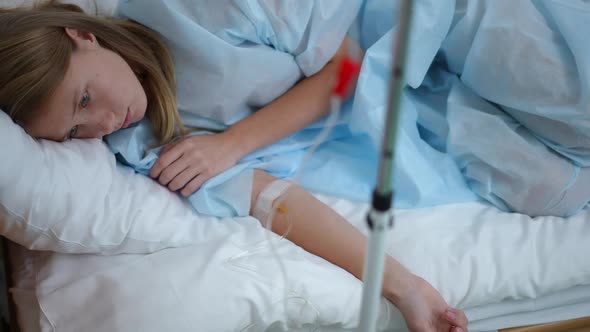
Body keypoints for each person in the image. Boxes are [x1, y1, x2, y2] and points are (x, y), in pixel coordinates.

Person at [0, 2, 468, 332]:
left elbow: (348, 62)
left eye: (84, 97)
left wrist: (231, 144)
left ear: (82, 35)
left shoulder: (194, 11)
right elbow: (273, 202)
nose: (100, 124)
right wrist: (406, 289)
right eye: (75, 133)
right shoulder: (140, 143)